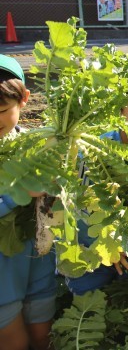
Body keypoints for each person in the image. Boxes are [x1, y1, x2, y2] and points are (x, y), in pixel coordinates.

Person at [66, 97, 128, 295]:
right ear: (121, 112)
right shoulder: (93, 153)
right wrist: (113, 242)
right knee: (89, 302)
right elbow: (80, 207)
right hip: (90, 248)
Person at [0, 55, 56, 350]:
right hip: (2, 278)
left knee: (42, 336)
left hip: (39, 265)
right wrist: (17, 192)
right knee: (15, 343)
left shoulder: (36, 142)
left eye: (2, 110)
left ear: (24, 100)